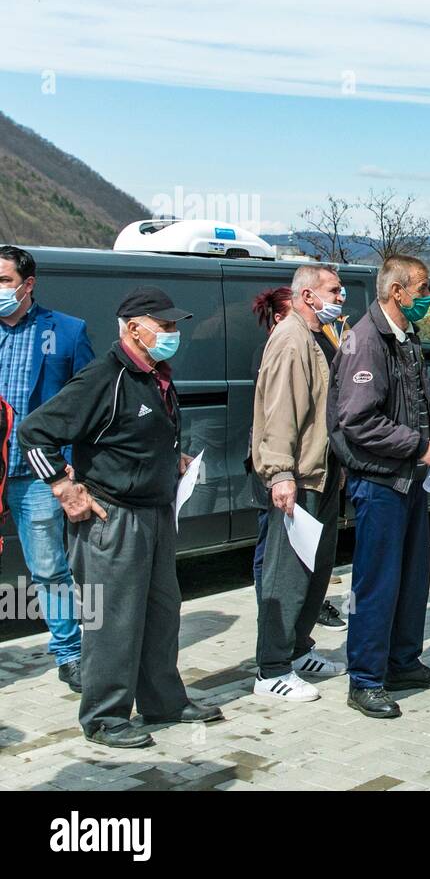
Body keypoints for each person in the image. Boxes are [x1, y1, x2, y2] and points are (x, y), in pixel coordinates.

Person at [19, 286, 223, 747]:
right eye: (165, 326)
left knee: (161, 612)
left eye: (174, 325)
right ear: (134, 328)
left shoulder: (155, 374)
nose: (173, 333)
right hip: (113, 519)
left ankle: (164, 701)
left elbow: (134, 435)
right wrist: (62, 486)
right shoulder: (103, 377)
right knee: (114, 620)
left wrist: (172, 458)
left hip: (155, 512)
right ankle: (105, 717)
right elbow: (33, 433)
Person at [329, 255, 430, 719]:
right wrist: (419, 447)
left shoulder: (406, 337)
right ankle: (365, 678)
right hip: (381, 480)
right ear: (397, 291)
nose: (427, 298)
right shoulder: (366, 341)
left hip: (409, 480)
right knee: (377, 582)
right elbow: (358, 420)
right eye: (422, 289)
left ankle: (402, 661)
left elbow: (418, 403)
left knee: (412, 577)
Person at [250, 265, 349, 702]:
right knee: (286, 575)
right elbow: (280, 413)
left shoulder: (316, 337)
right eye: (333, 290)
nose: (341, 296)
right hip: (299, 476)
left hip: (322, 473)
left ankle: (298, 648)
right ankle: (271, 669)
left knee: (315, 570)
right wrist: (281, 474)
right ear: (307, 295)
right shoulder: (290, 339)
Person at [0, 245, 94, 693]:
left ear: (28, 284)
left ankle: (69, 654)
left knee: (48, 568)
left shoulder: (67, 333)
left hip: (37, 475)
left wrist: (74, 471)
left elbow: (90, 405)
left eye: (3, 281)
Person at [247, 286, 292, 601]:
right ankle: (269, 606)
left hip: (281, 460)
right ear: (279, 317)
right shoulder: (270, 351)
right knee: (270, 539)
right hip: (268, 460)